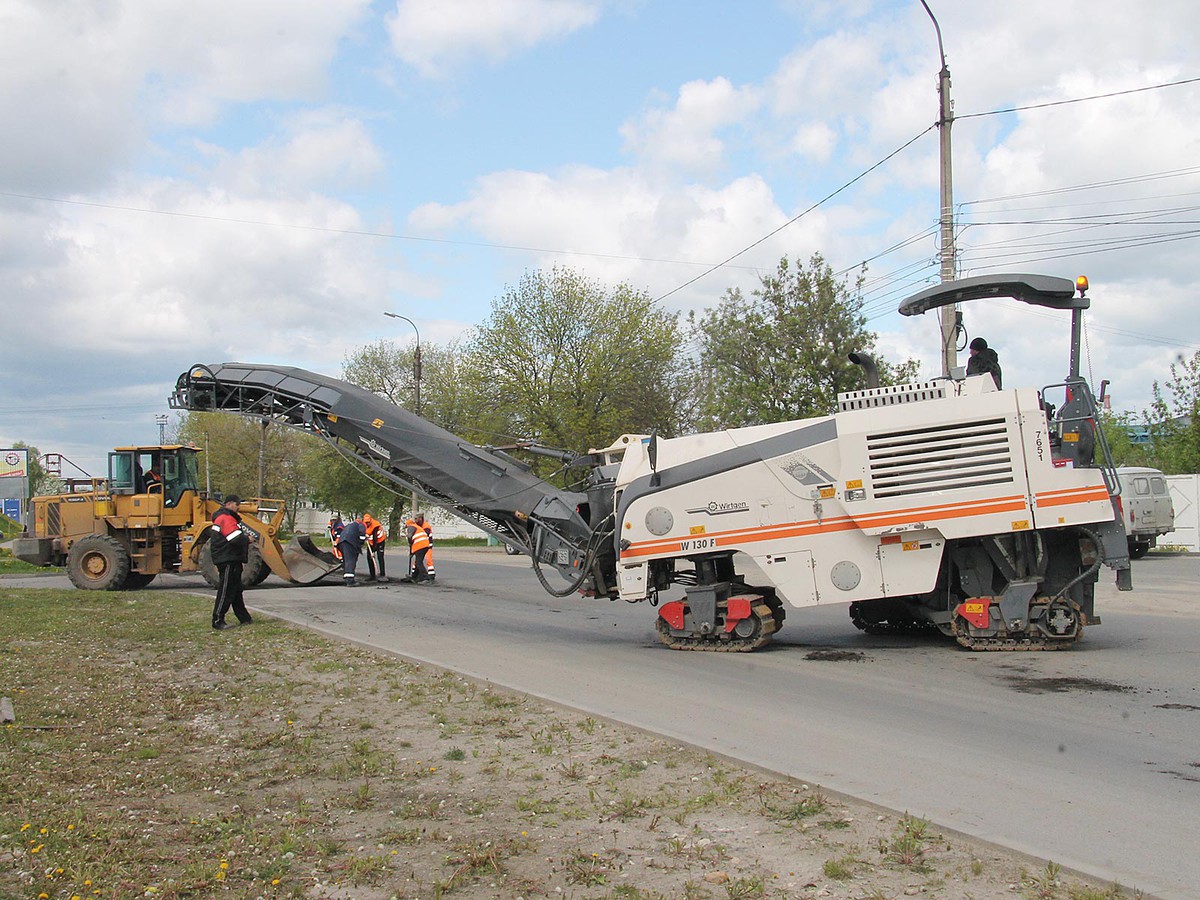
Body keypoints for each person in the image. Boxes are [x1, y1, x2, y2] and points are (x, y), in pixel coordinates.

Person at [210, 494, 253, 630]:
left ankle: (244, 617)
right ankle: (217, 619)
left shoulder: (225, 517)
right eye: (237, 504)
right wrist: (248, 539)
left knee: (235, 589)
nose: (238, 507)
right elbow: (235, 538)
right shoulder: (226, 518)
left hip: (230, 557)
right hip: (227, 558)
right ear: (228, 504)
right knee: (227, 589)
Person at [336, 515, 368, 587]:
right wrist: (361, 543)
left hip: (341, 543)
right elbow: (362, 536)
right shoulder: (361, 525)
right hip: (350, 543)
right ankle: (350, 581)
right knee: (350, 561)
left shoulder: (349, 525)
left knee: (346, 560)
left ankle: (346, 577)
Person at [401, 511, 433, 583]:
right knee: (418, 561)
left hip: (420, 546)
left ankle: (425, 577)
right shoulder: (417, 527)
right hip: (425, 545)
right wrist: (412, 552)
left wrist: (410, 543)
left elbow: (410, 537)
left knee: (419, 562)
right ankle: (416, 576)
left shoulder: (411, 527)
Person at [362, 513, 388, 582]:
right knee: (369, 558)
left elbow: (375, 538)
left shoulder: (375, 525)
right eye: (366, 522)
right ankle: (372, 575)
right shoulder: (363, 524)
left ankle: (382, 575)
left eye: (368, 522)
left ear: (371, 520)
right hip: (370, 542)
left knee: (380, 557)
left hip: (380, 541)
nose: (367, 524)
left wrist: (373, 550)